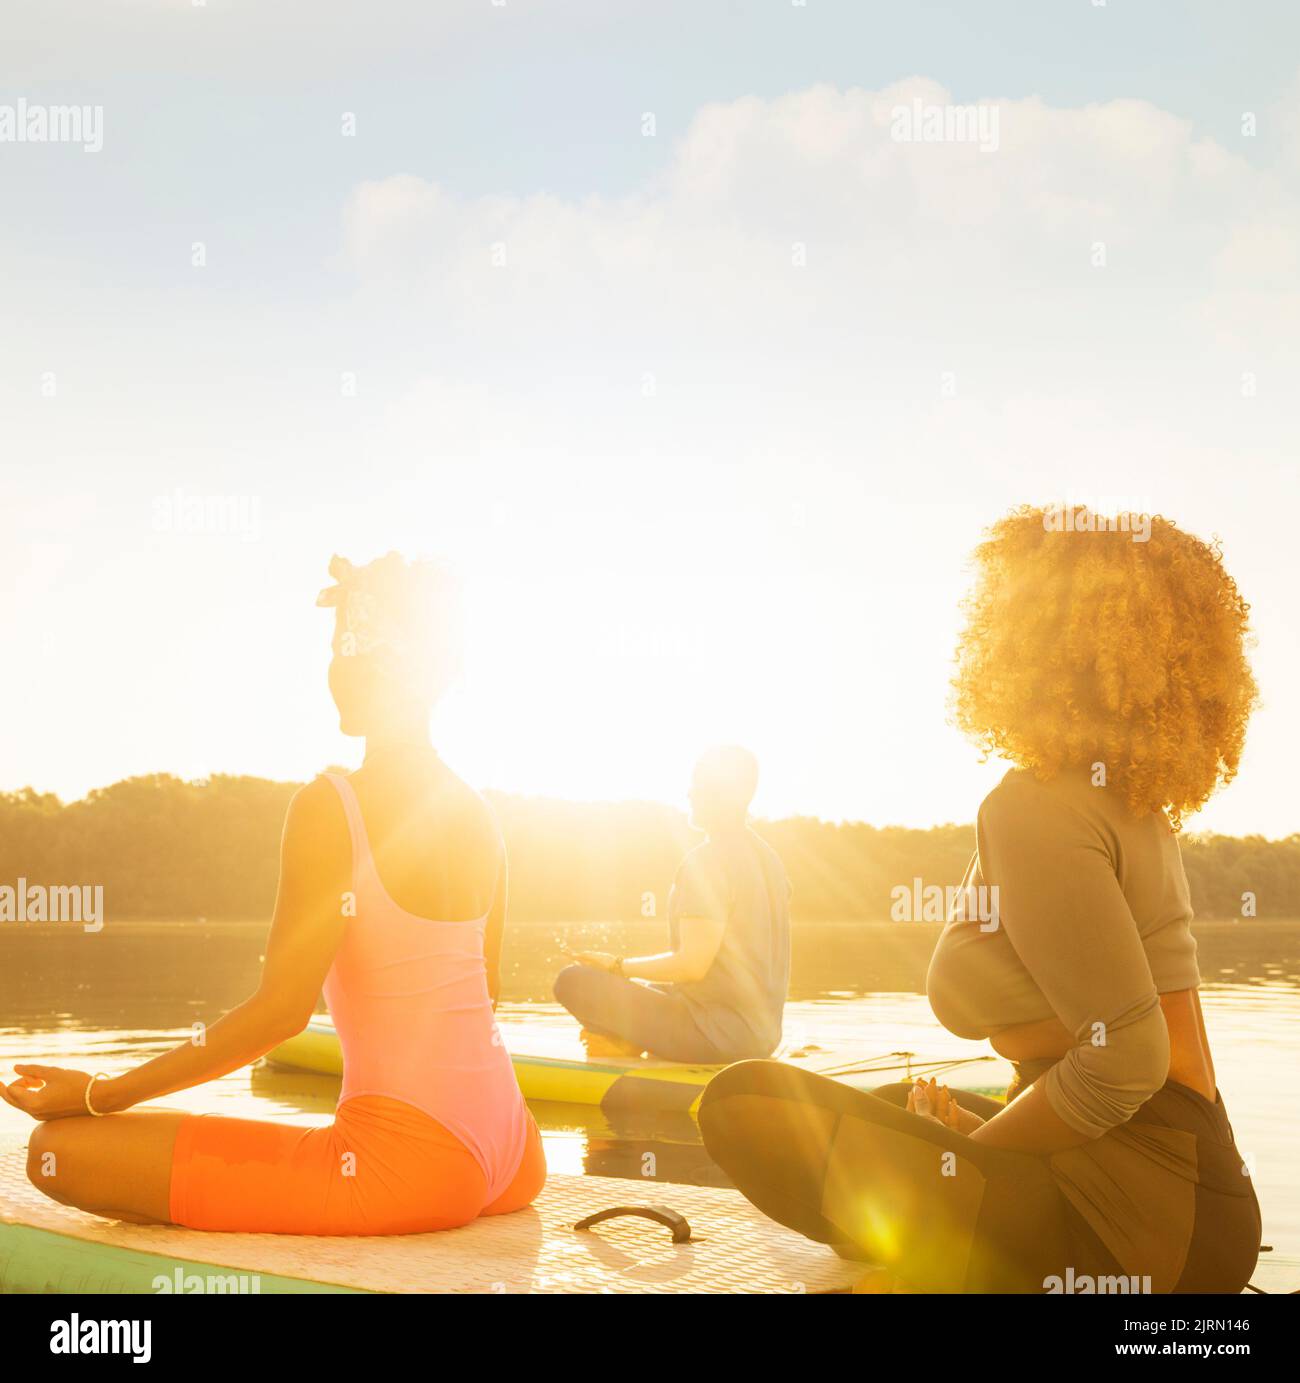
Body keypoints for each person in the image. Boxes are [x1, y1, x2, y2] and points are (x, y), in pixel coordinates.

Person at [699, 506, 1262, 1293]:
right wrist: (980, 1124)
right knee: (897, 1106)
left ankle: (958, 1250)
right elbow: (1118, 1035)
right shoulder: (1131, 803)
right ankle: (953, 1228)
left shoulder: (1035, 808)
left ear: (1028, 635)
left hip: (1134, 1226)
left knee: (744, 1103)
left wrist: (984, 1146)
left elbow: (1131, 1058)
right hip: (1203, 1203)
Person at [4, 552, 545, 1234]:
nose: (333, 669)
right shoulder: (482, 817)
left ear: (390, 665)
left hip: (412, 1171)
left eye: (348, 647)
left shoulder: (331, 805)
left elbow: (281, 1013)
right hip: (516, 1150)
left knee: (58, 1152)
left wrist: (97, 1093)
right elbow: (483, 995)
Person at [554, 745, 791, 1064]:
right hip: (762, 1036)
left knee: (573, 981)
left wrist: (617, 966)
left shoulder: (707, 862)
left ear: (720, 793)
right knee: (642, 985)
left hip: (715, 1038)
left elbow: (691, 965)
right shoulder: (770, 860)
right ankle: (624, 1037)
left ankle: (621, 1041)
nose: (689, 793)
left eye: (697, 784)